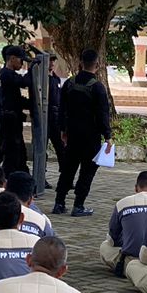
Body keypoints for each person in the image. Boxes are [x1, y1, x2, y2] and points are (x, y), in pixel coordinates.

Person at [54, 49, 112, 216]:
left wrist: (63, 130)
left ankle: (59, 203)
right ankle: (78, 205)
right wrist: (107, 136)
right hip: (90, 137)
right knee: (87, 171)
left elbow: (62, 109)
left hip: (72, 135)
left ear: (80, 63)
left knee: (68, 169)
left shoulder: (69, 84)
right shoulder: (97, 87)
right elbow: (103, 114)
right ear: (98, 64)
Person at [100, 171, 147, 275]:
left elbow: (113, 239)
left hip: (132, 259)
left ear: (135, 188)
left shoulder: (122, 203)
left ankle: (133, 271)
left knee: (105, 246)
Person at [0, 44, 32, 174]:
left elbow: (15, 98)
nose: (22, 63)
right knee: (11, 155)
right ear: (12, 58)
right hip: (8, 121)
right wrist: (33, 68)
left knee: (7, 154)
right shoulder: (7, 74)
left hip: (6, 119)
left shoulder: (5, 74)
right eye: (21, 60)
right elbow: (26, 82)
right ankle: (4, 183)